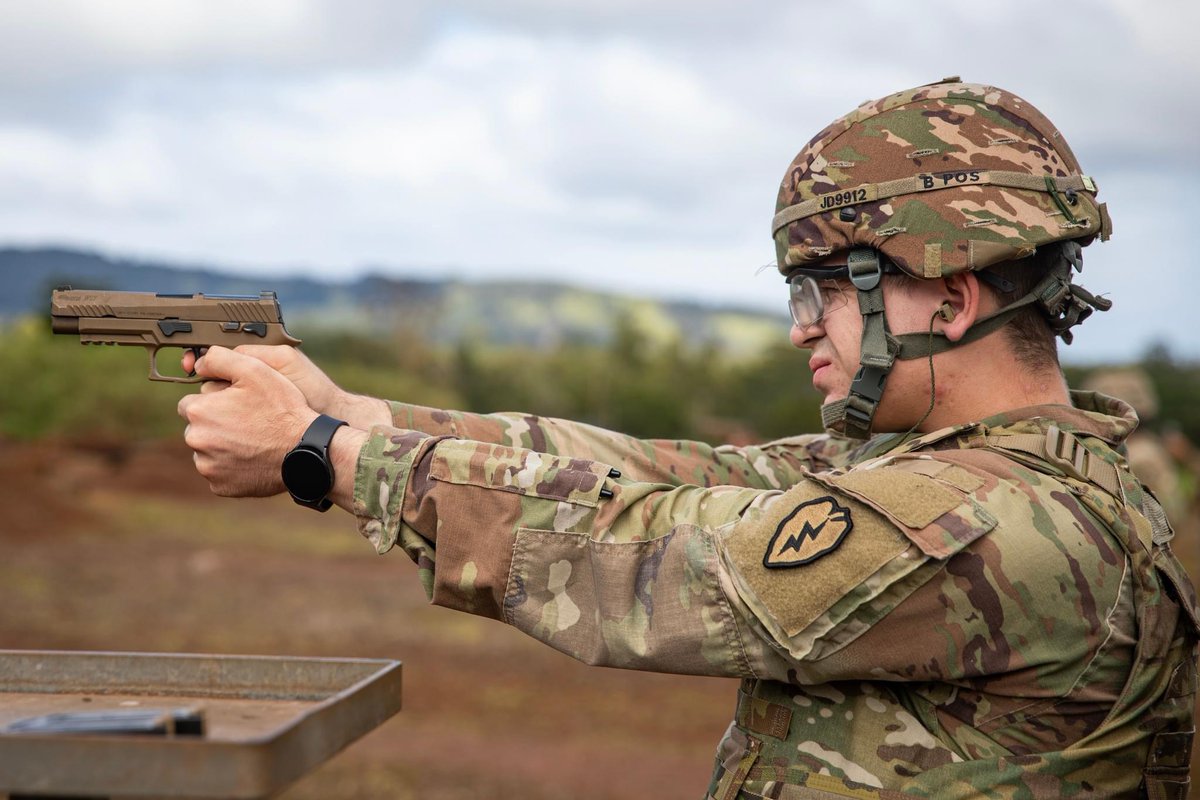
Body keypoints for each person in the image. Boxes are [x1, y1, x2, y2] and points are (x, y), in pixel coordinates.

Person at [178, 78, 1199, 798]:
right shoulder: (957, 470)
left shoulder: (990, 522)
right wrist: (360, 415)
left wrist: (324, 457)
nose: (801, 327)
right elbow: (660, 473)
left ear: (950, 296)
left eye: (824, 290)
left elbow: (651, 560)